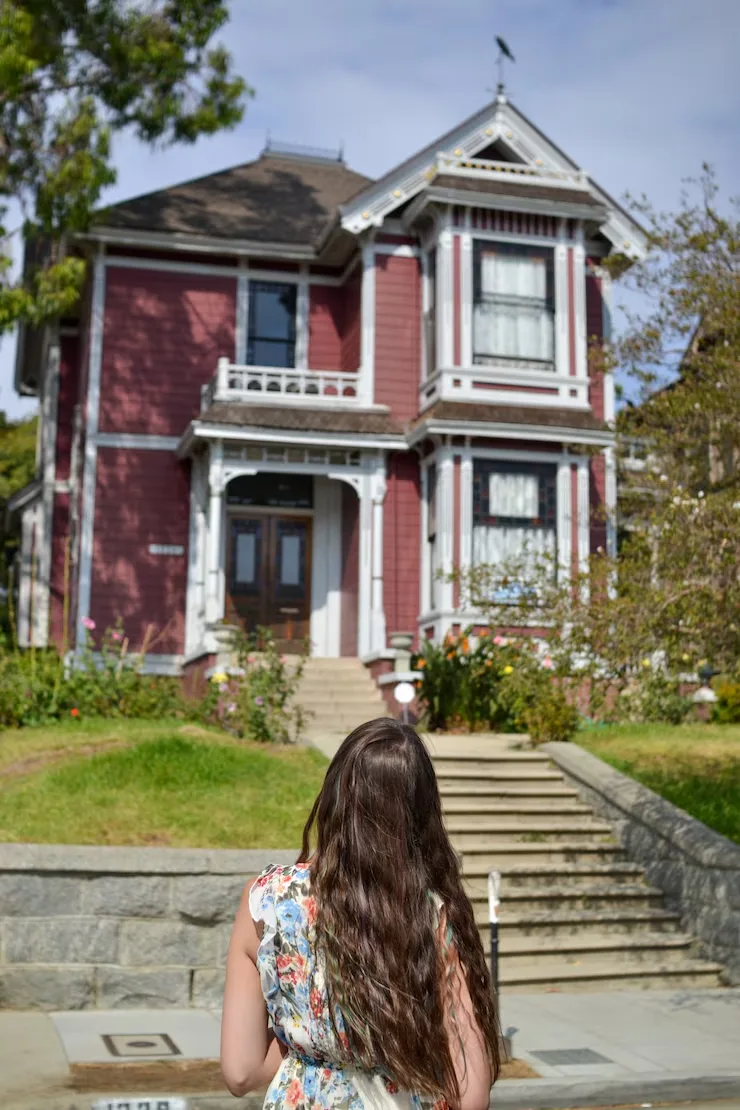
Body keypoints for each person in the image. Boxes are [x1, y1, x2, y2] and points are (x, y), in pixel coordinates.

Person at [221, 718, 500, 1110]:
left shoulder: (264, 901)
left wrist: (309, 1044)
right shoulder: (429, 915)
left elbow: (240, 1072)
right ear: (421, 813)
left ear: (333, 792)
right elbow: (471, 1092)